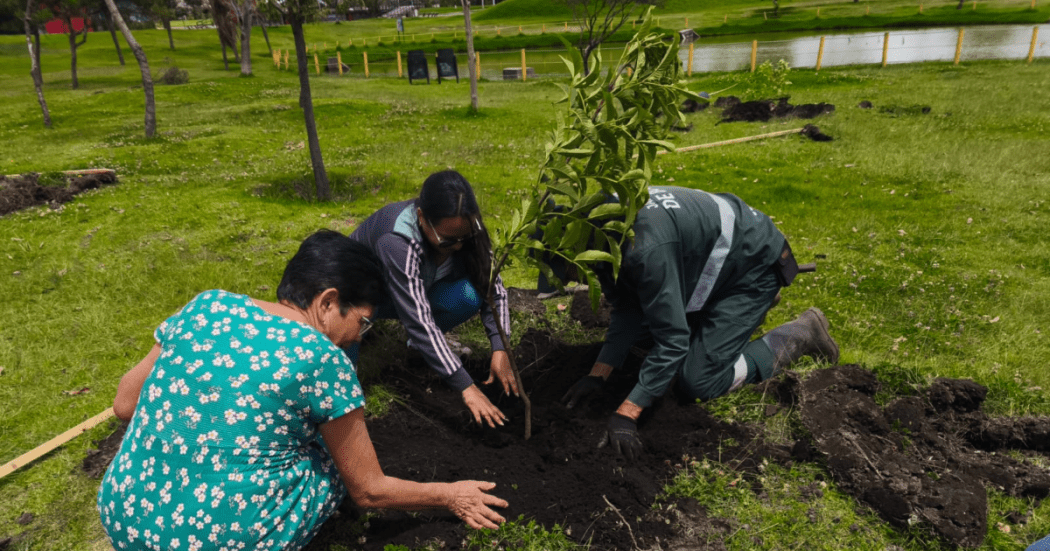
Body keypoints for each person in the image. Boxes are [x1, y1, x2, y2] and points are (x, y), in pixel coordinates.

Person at [98, 230, 507, 551]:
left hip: (124, 515)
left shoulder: (207, 305)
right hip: (223, 542)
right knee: (329, 460)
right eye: (363, 322)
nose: (357, 337)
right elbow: (368, 491)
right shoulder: (322, 358)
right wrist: (452, 496)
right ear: (328, 302)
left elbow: (124, 404)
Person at [554, 186, 839, 459]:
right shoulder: (603, 230)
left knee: (699, 380)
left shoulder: (644, 250)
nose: (570, 281)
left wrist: (627, 413)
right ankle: (732, 316)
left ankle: (798, 334)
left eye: (567, 274)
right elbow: (628, 310)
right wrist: (598, 375)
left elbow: (673, 342)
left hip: (754, 263)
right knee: (645, 336)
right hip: (714, 260)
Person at [349, 170, 515, 429]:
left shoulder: (470, 228)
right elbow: (417, 318)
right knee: (344, 369)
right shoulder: (396, 240)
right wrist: (466, 386)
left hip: (418, 288)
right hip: (362, 294)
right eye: (448, 241)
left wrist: (501, 347)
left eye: (464, 238)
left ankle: (420, 351)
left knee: (469, 295)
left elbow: (494, 289)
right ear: (421, 218)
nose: (458, 246)